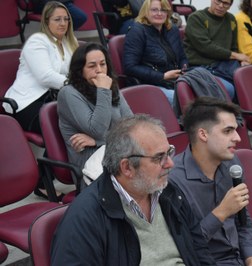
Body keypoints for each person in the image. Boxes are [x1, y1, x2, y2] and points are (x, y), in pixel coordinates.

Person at [51, 114, 216, 265]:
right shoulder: (85, 216)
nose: (170, 163)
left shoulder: (169, 192)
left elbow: (199, 250)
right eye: (159, 157)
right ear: (127, 167)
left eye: (169, 152)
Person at [169, 97, 252, 266]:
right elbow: (183, 246)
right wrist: (221, 213)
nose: (237, 138)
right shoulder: (172, 181)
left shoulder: (232, 164)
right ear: (203, 134)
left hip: (241, 259)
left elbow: (244, 221)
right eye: (228, 131)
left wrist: (251, 259)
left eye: (235, 130)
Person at [3, 1, 79, 134]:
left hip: (53, 99)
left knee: (85, 119)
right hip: (27, 103)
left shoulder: (70, 43)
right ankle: (54, 155)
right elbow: (46, 77)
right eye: (57, 19)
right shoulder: (37, 41)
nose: (63, 23)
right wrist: (77, 84)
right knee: (69, 127)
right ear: (46, 21)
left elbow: (78, 71)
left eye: (66, 19)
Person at [57, 42, 133, 175]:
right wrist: (103, 90)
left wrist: (97, 141)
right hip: (91, 162)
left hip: (119, 151)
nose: (99, 70)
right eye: (92, 66)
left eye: (103, 64)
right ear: (80, 70)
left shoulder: (110, 86)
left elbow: (131, 126)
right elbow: (97, 130)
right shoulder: (68, 93)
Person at [124, 0, 188, 105]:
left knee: (201, 90)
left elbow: (182, 57)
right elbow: (130, 67)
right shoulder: (137, 31)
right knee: (182, 99)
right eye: (154, 10)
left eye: (163, 10)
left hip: (176, 80)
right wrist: (162, 76)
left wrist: (184, 69)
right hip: (151, 84)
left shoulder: (172, 30)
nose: (159, 13)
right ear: (145, 12)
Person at [183, 0, 251, 99]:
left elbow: (234, 47)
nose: (221, 6)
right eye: (218, 1)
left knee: (250, 81)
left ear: (230, 5)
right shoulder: (196, 18)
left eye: (226, 3)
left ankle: (248, 113)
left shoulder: (231, 19)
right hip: (202, 67)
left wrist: (241, 61)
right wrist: (236, 56)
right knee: (229, 88)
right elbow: (205, 47)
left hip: (225, 65)